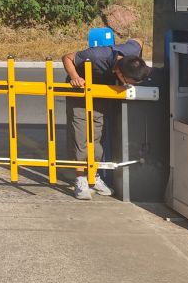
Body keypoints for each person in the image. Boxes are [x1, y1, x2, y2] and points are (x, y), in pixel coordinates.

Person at [62, 38, 150, 200]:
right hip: (80, 90)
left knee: (98, 134)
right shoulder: (96, 56)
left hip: (103, 90)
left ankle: (93, 177)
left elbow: (139, 40)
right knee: (80, 133)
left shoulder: (132, 50)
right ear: (119, 72)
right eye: (130, 82)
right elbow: (67, 57)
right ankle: (80, 179)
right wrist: (75, 77)